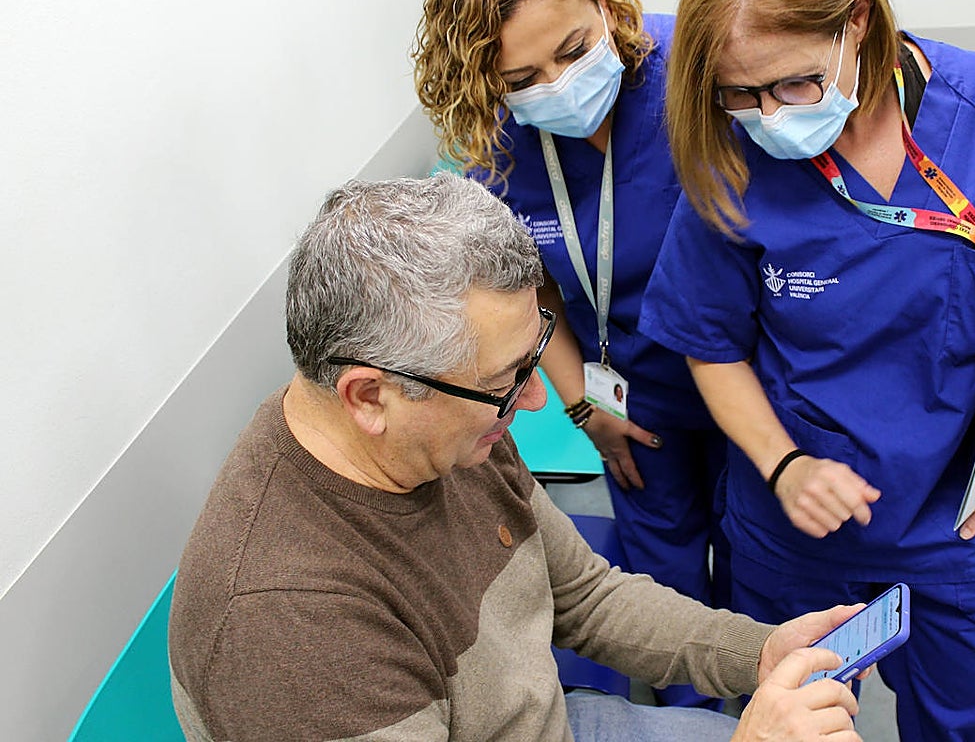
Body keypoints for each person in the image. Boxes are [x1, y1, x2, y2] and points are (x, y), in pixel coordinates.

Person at [638, 0, 975, 741]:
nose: (770, 116)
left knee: (965, 710)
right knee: (800, 722)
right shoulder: (732, 151)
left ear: (856, 21)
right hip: (794, 514)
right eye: (740, 93)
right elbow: (710, 344)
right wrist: (784, 465)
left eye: (795, 83)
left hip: (952, 512)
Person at [166, 174, 866, 742]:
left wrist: (758, 652)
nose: (535, 401)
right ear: (370, 396)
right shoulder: (286, 627)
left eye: (534, 357)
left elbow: (584, 596)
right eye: (507, 380)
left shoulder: (446, 428)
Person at [412, 0, 729, 710]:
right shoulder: (497, 144)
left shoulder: (699, 72)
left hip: (750, 376)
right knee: (664, 572)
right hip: (630, 391)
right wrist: (586, 406)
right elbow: (535, 289)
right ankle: (692, 721)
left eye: (575, 49)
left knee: (762, 561)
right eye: (522, 77)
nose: (557, 86)